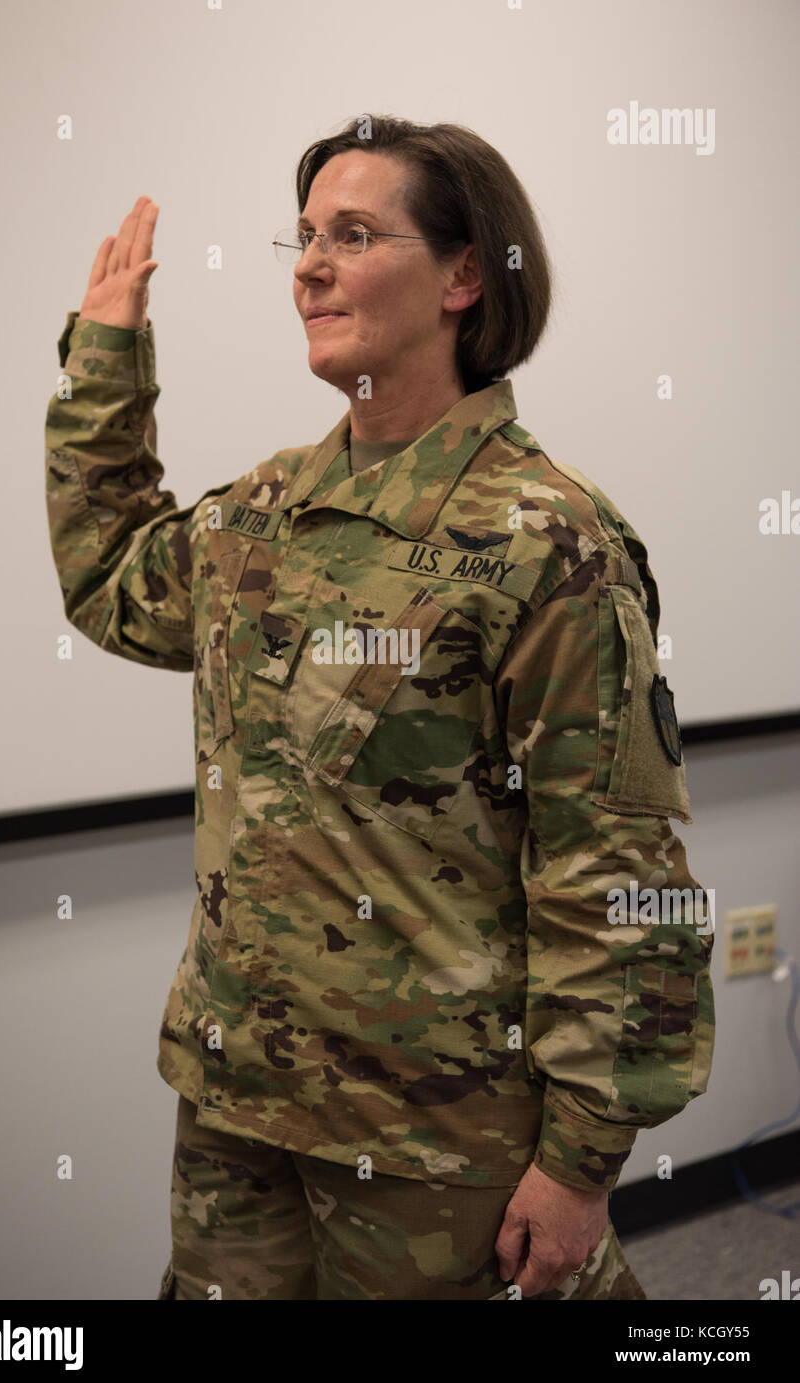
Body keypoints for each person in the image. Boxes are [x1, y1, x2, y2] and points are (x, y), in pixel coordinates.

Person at [45, 115, 715, 1301]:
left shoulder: (546, 541)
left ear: (465, 275)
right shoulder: (264, 510)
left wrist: (581, 1164)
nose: (307, 264)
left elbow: (615, 874)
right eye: (301, 236)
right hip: (236, 1104)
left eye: (352, 235)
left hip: (432, 1144)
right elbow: (113, 584)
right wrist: (106, 358)